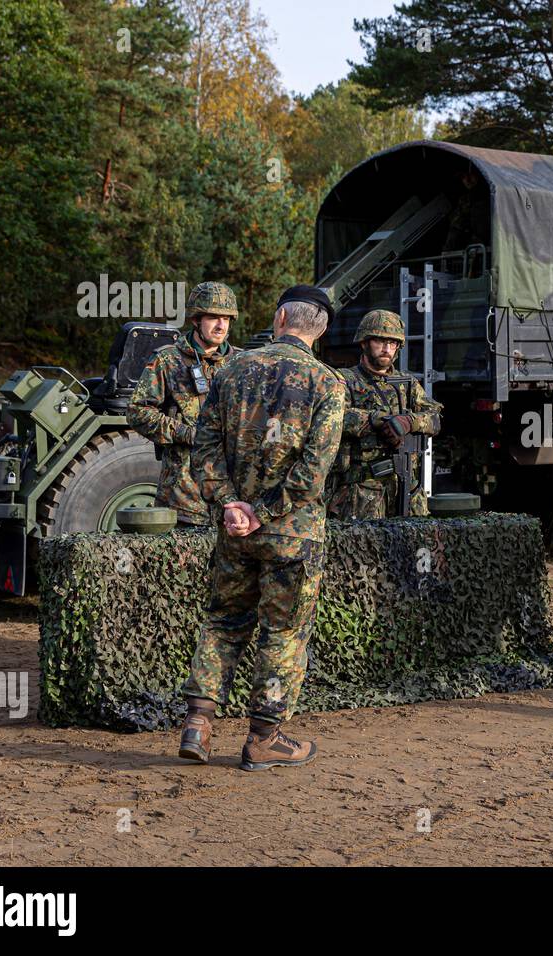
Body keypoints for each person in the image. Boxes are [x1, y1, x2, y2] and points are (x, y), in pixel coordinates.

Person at [178, 285, 345, 772]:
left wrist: (232, 505)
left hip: (235, 534)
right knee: (284, 633)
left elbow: (202, 449)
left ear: (279, 318)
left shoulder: (231, 370)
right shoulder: (329, 384)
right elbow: (313, 474)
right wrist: (264, 511)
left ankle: (198, 724)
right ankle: (264, 738)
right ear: (322, 329)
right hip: (292, 536)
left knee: (223, 622)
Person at [127, 281, 239, 526]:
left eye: (226, 319)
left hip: (232, 503)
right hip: (183, 500)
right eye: (213, 317)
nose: (221, 325)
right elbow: (137, 411)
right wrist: (185, 433)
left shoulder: (242, 364)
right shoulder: (168, 360)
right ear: (196, 320)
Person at [326, 309, 442, 519]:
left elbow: (434, 418)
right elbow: (332, 417)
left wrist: (410, 422)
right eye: (380, 342)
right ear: (364, 343)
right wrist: (377, 420)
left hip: (406, 489)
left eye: (393, 343)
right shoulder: (344, 380)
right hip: (361, 492)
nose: (387, 349)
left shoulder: (407, 384)